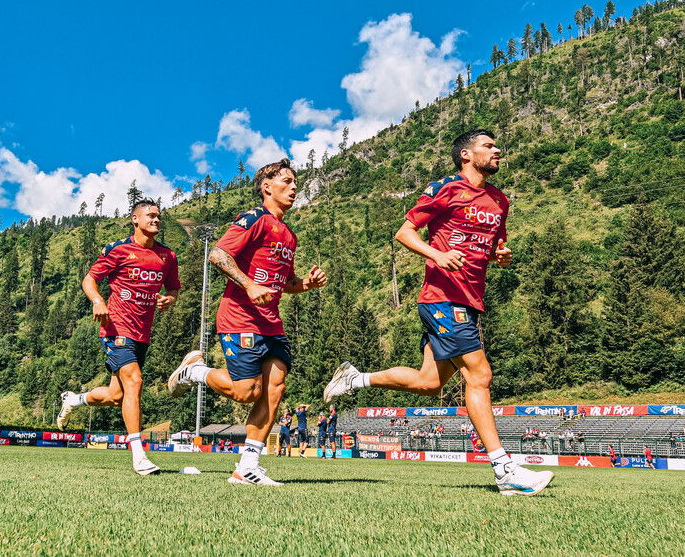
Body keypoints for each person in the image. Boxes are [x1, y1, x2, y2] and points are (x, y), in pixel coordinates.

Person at [323, 130, 552, 496]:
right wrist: (437, 254)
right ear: (466, 154)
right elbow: (405, 233)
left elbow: (494, 246)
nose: (497, 150)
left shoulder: (499, 201)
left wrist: (500, 256)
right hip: (442, 299)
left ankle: (355, 380)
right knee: (480, 375)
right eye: (488, 146)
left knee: (430, 383)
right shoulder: (445, 188)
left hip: (470, 301)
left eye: (496, 146)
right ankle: (504, 470)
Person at [166, 159, 327, 486]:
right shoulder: (254, 218)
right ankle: (194, 372)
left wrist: (305, 284)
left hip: (272, 324)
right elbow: (219, 255)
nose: (294, 186)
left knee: (275, 388)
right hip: (240, 318)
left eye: (295, 181)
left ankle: (247, 467)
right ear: (268, 187)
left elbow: (285, 282)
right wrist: (249, 285)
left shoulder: (289, 236)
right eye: (287, 181)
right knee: (246, 392)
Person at [55, 200, 180, 476]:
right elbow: (90, 279)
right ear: (135, 219)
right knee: (135, 381)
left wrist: (169, 299)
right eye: (150, 215)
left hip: (142, 334)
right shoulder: (119, 249)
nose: (157, 220)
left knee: (116, 396)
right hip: (115, 328)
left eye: (159, 216)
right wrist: (98, 301)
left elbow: (173, 288)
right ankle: (139, 457)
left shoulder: (167, 256)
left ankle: (74, 400)